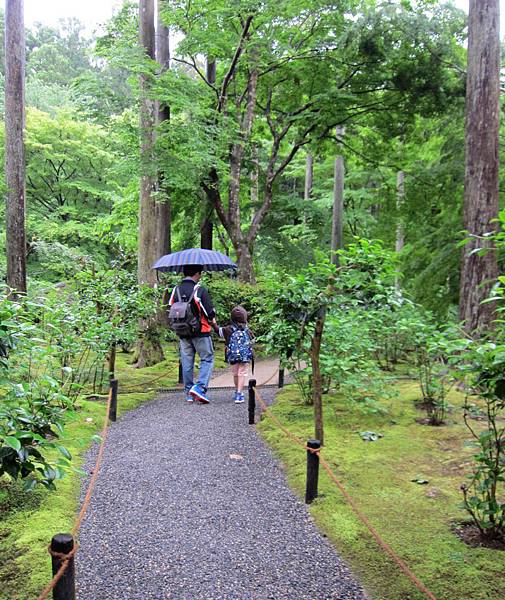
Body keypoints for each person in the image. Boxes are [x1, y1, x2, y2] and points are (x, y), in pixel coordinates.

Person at [168, 265, 218, 404]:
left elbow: (171, 308)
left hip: (182, 332)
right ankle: (200, 388)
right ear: (197, 273)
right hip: (200, 332)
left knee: (187, 362)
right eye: (200, 273)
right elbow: (209, 313)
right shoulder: (199, 290)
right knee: (207, 359)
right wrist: (213, 316)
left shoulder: (175, 290)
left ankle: (189, 392)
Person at [218, 306, 254, 404]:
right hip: (244, 356)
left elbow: (218, 331)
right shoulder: (247, 330)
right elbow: (253, 340)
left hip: (232, 356)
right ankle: (239, 393)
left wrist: (213, 323)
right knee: (242, 373)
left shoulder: (228, 329)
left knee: (235, 374)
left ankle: (237, 391)